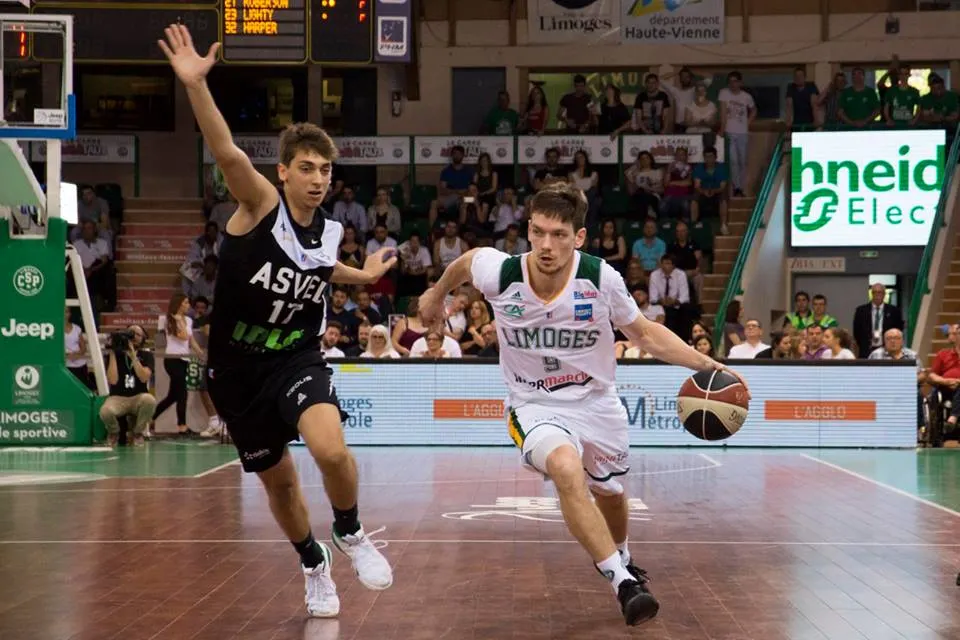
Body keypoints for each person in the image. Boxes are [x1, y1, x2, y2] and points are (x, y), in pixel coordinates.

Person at [417, 183, 749, 627]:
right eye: (537, 233)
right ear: (528, 230)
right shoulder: (501, 273)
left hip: (596, 403)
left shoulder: (600, 279)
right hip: (532, 405)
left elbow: (646, 335)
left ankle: (624, 556)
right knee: (566, 469)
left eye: (558, 234)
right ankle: (623, 583)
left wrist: (708, 362)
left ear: (579, 237)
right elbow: (466, 260)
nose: (545, 245)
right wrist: (436, 295)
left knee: (610, 494)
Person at [159, 24, 396, 619]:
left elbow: (321, 266)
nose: (319, 179)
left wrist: (361, 278)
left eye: (326, 171)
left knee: (333, 452)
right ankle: (313, 563)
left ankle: (349, 529)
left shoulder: (331, 229)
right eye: (308, 168)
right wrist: (195, 86)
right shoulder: (259, 204)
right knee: (281, 486)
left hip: (296, 357)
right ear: (284, 171)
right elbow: (226, 152)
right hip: (236, 374)